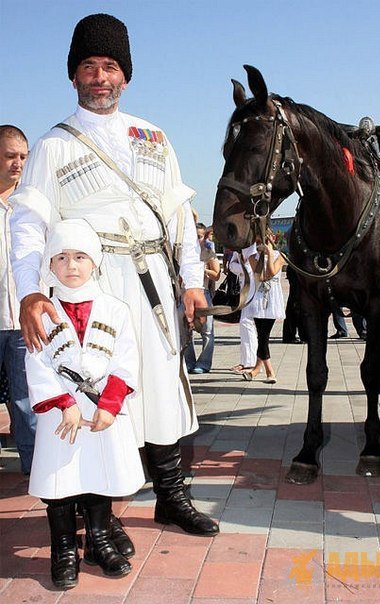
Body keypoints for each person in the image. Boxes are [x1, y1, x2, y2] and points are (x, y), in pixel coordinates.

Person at [10, 14, 218, 537]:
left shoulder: (154, 136)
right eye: (88, 66)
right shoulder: (53, 145)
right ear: (73, 76)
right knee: (96, 390)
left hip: (153, 287)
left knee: (161, 385)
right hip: (90, 289)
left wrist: (191, 283)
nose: (100, 77)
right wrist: (31, 291)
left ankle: (171, 496)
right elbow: (29, 224)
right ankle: (96, 513)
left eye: (110, 67)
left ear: (125, 76)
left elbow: (178, 218)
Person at [25, 219, 144, 588]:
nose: (71, 266)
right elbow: (36, 361)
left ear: (95, 261)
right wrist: (64, 403)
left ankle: (98, 539)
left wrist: (109, 405)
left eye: (79, 256)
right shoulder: (42, 312)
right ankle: (62, 548)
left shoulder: (116, 309)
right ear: (49, 264)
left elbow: (126, 361)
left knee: (98, 477)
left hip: (101, 413)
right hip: (61, 415)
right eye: (61, 257)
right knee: (59, 484)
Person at [0, 125, 36, 474]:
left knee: (26, 402)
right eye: (11, 156)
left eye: (23, 156)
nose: (18, 164)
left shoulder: (32, 203)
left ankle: (35, 469)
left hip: (24, 323)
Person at [242, 233, 286, 383]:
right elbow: (260, 276)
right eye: (260, 241)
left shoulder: (280, 256)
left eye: (266, 240)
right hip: (258, 299)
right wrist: (262, 256)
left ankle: (262, 370)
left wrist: (269, 254)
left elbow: (272, 272)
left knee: (264, 335)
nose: (263, 243)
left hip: (272, 299)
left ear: (273, 239)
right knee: (262, 335)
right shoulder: (253, 257)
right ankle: (263, 370)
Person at [184, 222, 220, 373]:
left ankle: (204, 363)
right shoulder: (185, 251)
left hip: (203, 292)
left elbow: (217, 274)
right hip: (184, 293)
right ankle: (189, 361)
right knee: (186, 330)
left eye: (198, 236)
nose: (196, 240)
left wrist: (202, 270)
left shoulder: (207, 252)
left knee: (207, 330)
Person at [228, 244, 258, 374]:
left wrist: (244, 266)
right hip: (243, 287)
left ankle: (250, 363)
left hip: (255, 288)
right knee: (246, 324)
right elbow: (231, 265)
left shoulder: (256, 247)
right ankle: (248, 361)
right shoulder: (240, 246)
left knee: (247, 322)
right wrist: (242, 266)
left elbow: (253, 267)